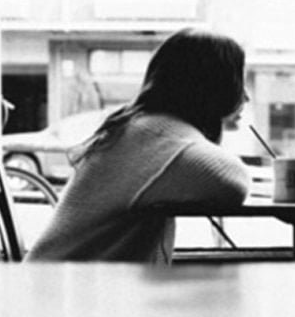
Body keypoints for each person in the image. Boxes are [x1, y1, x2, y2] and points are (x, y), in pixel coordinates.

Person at [25, 28, 250, 263]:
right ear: (212, 85)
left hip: (60, 278)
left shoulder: (139, 125)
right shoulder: (163, 136)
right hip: (66, 290)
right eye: (238, 82)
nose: (245, 96)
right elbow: (233, 183)